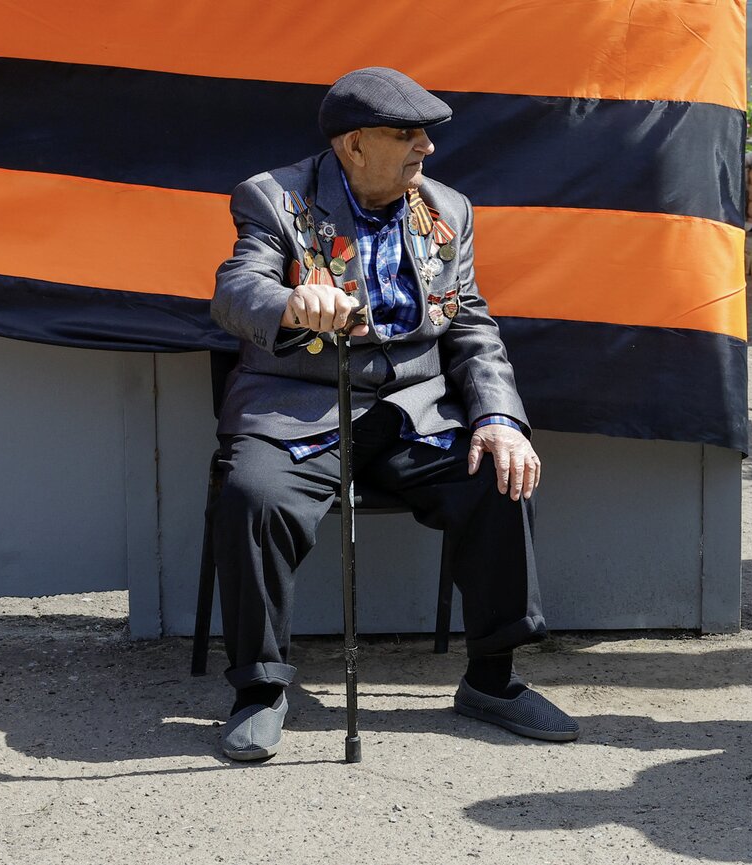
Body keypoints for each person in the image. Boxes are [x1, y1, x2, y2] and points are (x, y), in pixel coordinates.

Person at [209, 66, 579, 761]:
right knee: (252, 495)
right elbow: (237, 289)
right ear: (353, 145)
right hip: (305, 408)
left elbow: (470, 325)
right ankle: (259, 689)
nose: (426, 149)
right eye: (406, 134)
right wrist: (289, 304)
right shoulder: (275, 198)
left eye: (427, 135)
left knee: (497, 476)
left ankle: (492, 679)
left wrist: (500, 417)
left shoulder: (448, 209)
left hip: (415, 410)